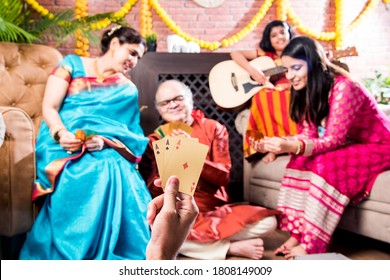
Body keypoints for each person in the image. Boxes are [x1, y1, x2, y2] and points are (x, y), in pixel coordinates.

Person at [18, 25, 197, 260]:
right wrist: (62, 134)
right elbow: (50, 108)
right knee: (89, 169)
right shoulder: (71, 65)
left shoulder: (127, 90)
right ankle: (72, 252)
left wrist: (105, 142)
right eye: (132, 52)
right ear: (114, 44)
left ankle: (122, 253)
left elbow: (130, 135)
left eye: (139, 57)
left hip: (108, 148)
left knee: (113, 168)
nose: (134, 61)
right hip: (61, 141)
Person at [249, 36, 390, 259]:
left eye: (296, 68)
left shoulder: (345, 87)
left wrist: (291, 144)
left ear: (314, 63)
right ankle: (296, 234)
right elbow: (308, 135)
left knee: (326, 163)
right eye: (286, 69)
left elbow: (333, 139)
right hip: (353, 144)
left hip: (381, 145)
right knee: (300, 159)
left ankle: (311, 243)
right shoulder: (307, 89)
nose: (290, 76)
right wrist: (276, 144)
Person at [139, 79, 279, 260]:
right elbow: (149, 186)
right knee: (147, 228)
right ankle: (228, 248)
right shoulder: (153, 140)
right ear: (159, 109)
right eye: (166, 102)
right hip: (177, 211)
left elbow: (224, 177)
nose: (173, 105)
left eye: (178, 98)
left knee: (269, 222)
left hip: (213, 212)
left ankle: (196, 246)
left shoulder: (214, 128)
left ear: (190, 100)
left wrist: (192, 154)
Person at [231, 20, 297, 163]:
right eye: (274, 35)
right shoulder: (265, 55)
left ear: (289, 34)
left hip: (293, 89)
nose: (279, 37)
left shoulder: (299, 54)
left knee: (285, 96)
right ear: (269, 40)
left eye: (282, 32)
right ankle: (272, 147)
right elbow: (235, 53)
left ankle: (285, 146)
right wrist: (252, 71)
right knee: (262, 95)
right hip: (271, 91)